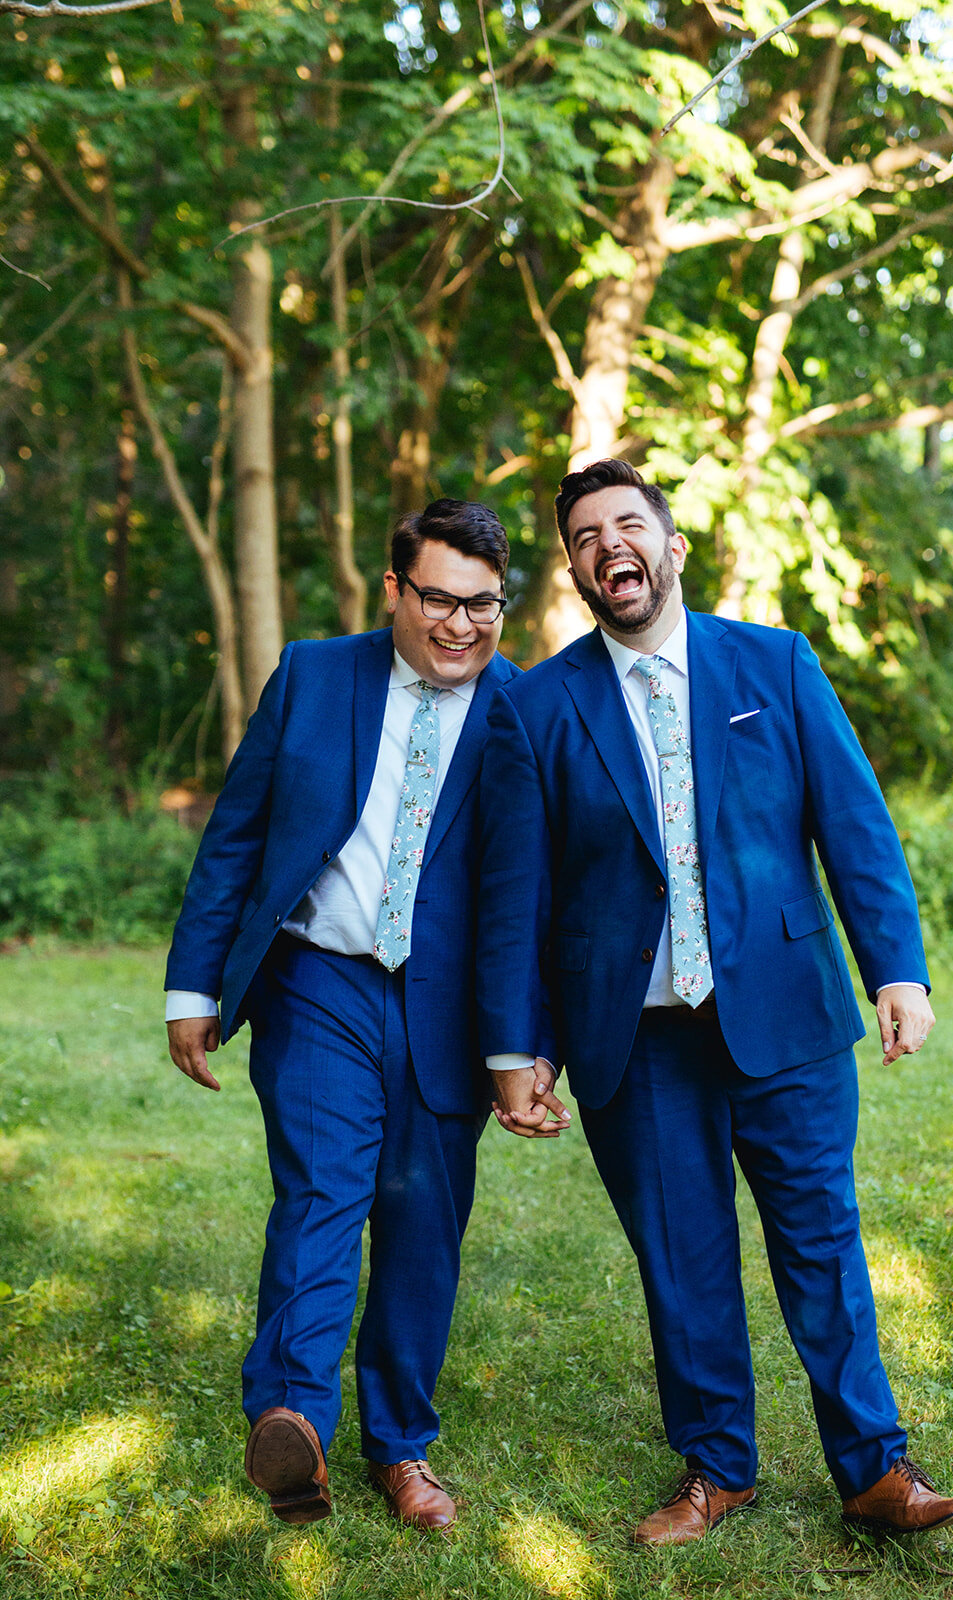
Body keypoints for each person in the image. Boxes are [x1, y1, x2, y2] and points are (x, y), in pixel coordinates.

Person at [477, 459, 953, 1546]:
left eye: (626, 525)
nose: (608, 546)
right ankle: (716, 1468)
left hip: (786, 1016)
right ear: (571, 568)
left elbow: (853, 823)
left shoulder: (775, 662)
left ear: (670, 547)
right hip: (636, 1036)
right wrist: (517, 1044)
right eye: (582, 536)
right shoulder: (538, 704)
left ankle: (874, 1468)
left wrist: (895, 969)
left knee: (821, 1244)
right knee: (681, 1257)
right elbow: (517, 890)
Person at [166, 499, 545, 1531]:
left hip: (447, 1007)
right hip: (318, 980)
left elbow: (524, 893)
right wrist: (193, 987)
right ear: (393, 591)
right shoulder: (312, 675)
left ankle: (400, 1447)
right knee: (322, 1191)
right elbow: (238, 835)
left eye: (483, 606)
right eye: (439, 600)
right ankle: (292, 1421)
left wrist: (522, 1043)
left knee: (423, 1221)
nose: (461, 625)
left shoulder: (523, 708)